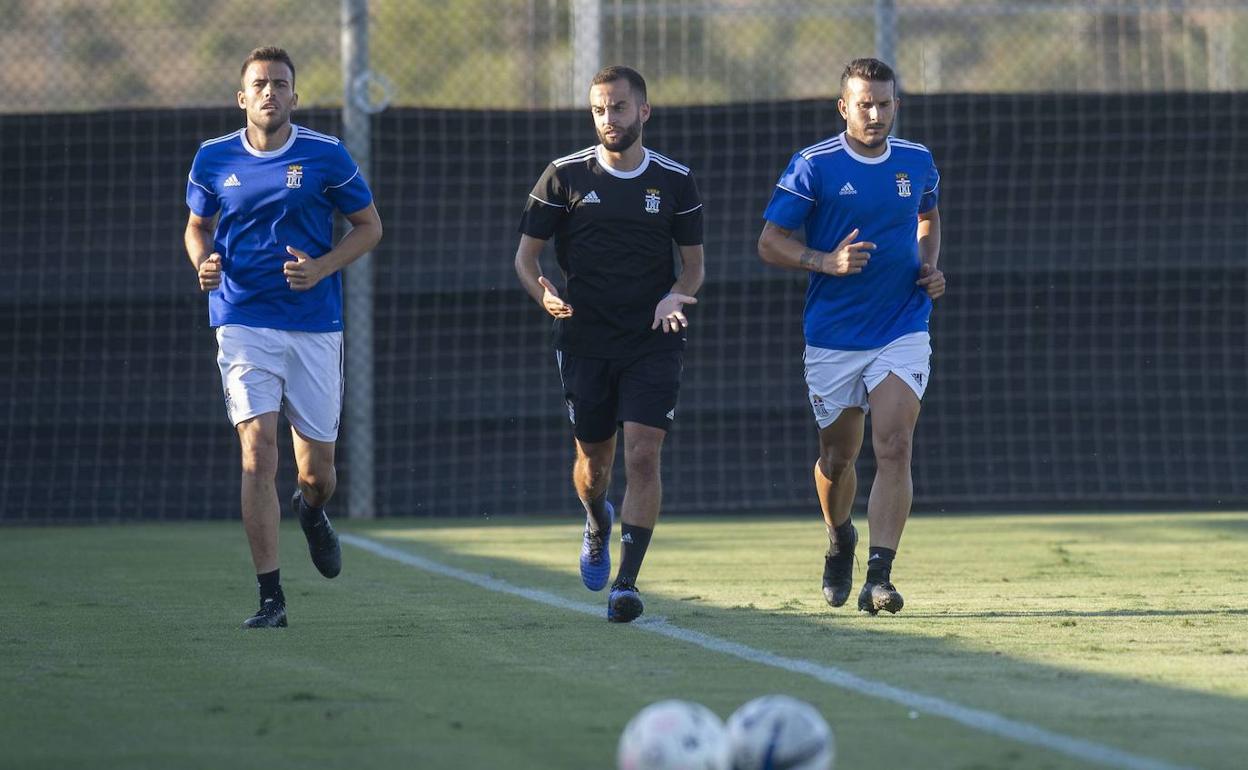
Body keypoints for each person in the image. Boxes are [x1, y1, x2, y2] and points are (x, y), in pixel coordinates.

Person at [184, 46, 383, 628]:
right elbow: (197, 227)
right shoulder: (213, 157)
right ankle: (271, 598)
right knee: (257, 453)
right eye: (259, 84)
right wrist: (202, 262)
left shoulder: (326, 155)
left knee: (317, 474)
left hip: (313, 325)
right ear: (241, 97)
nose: (269, 92)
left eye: (279, 83)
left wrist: (322, 267)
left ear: (295, 96)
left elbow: (369, 226)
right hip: (242, 320)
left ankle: (311, 510)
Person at [514, 65, 705, 623]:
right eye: (599, 109)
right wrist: (543, 293)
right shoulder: (563, 175)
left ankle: (626, 583)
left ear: (643, 111)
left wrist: (675, 297)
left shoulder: (675, 180)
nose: (608, 118)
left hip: (653, 340)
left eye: (618, 107)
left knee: (643, 455)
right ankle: (597, 519)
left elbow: (694, 267)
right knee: (594, 466)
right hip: (584, 341)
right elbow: (525, 258)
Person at [756, 58, 944, 615]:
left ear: (896, 106)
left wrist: (929, 266)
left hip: (902, 325)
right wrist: (825, 261)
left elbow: (928, 216)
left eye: (884, 104)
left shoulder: (917, 161)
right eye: (865, 104)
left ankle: (879, 577)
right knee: (838, 458)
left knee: (895, 444)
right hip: (834, 335)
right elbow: (769, 242)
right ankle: (840, 538)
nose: (875, 114)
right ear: (844, 107)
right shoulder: (813, 165)